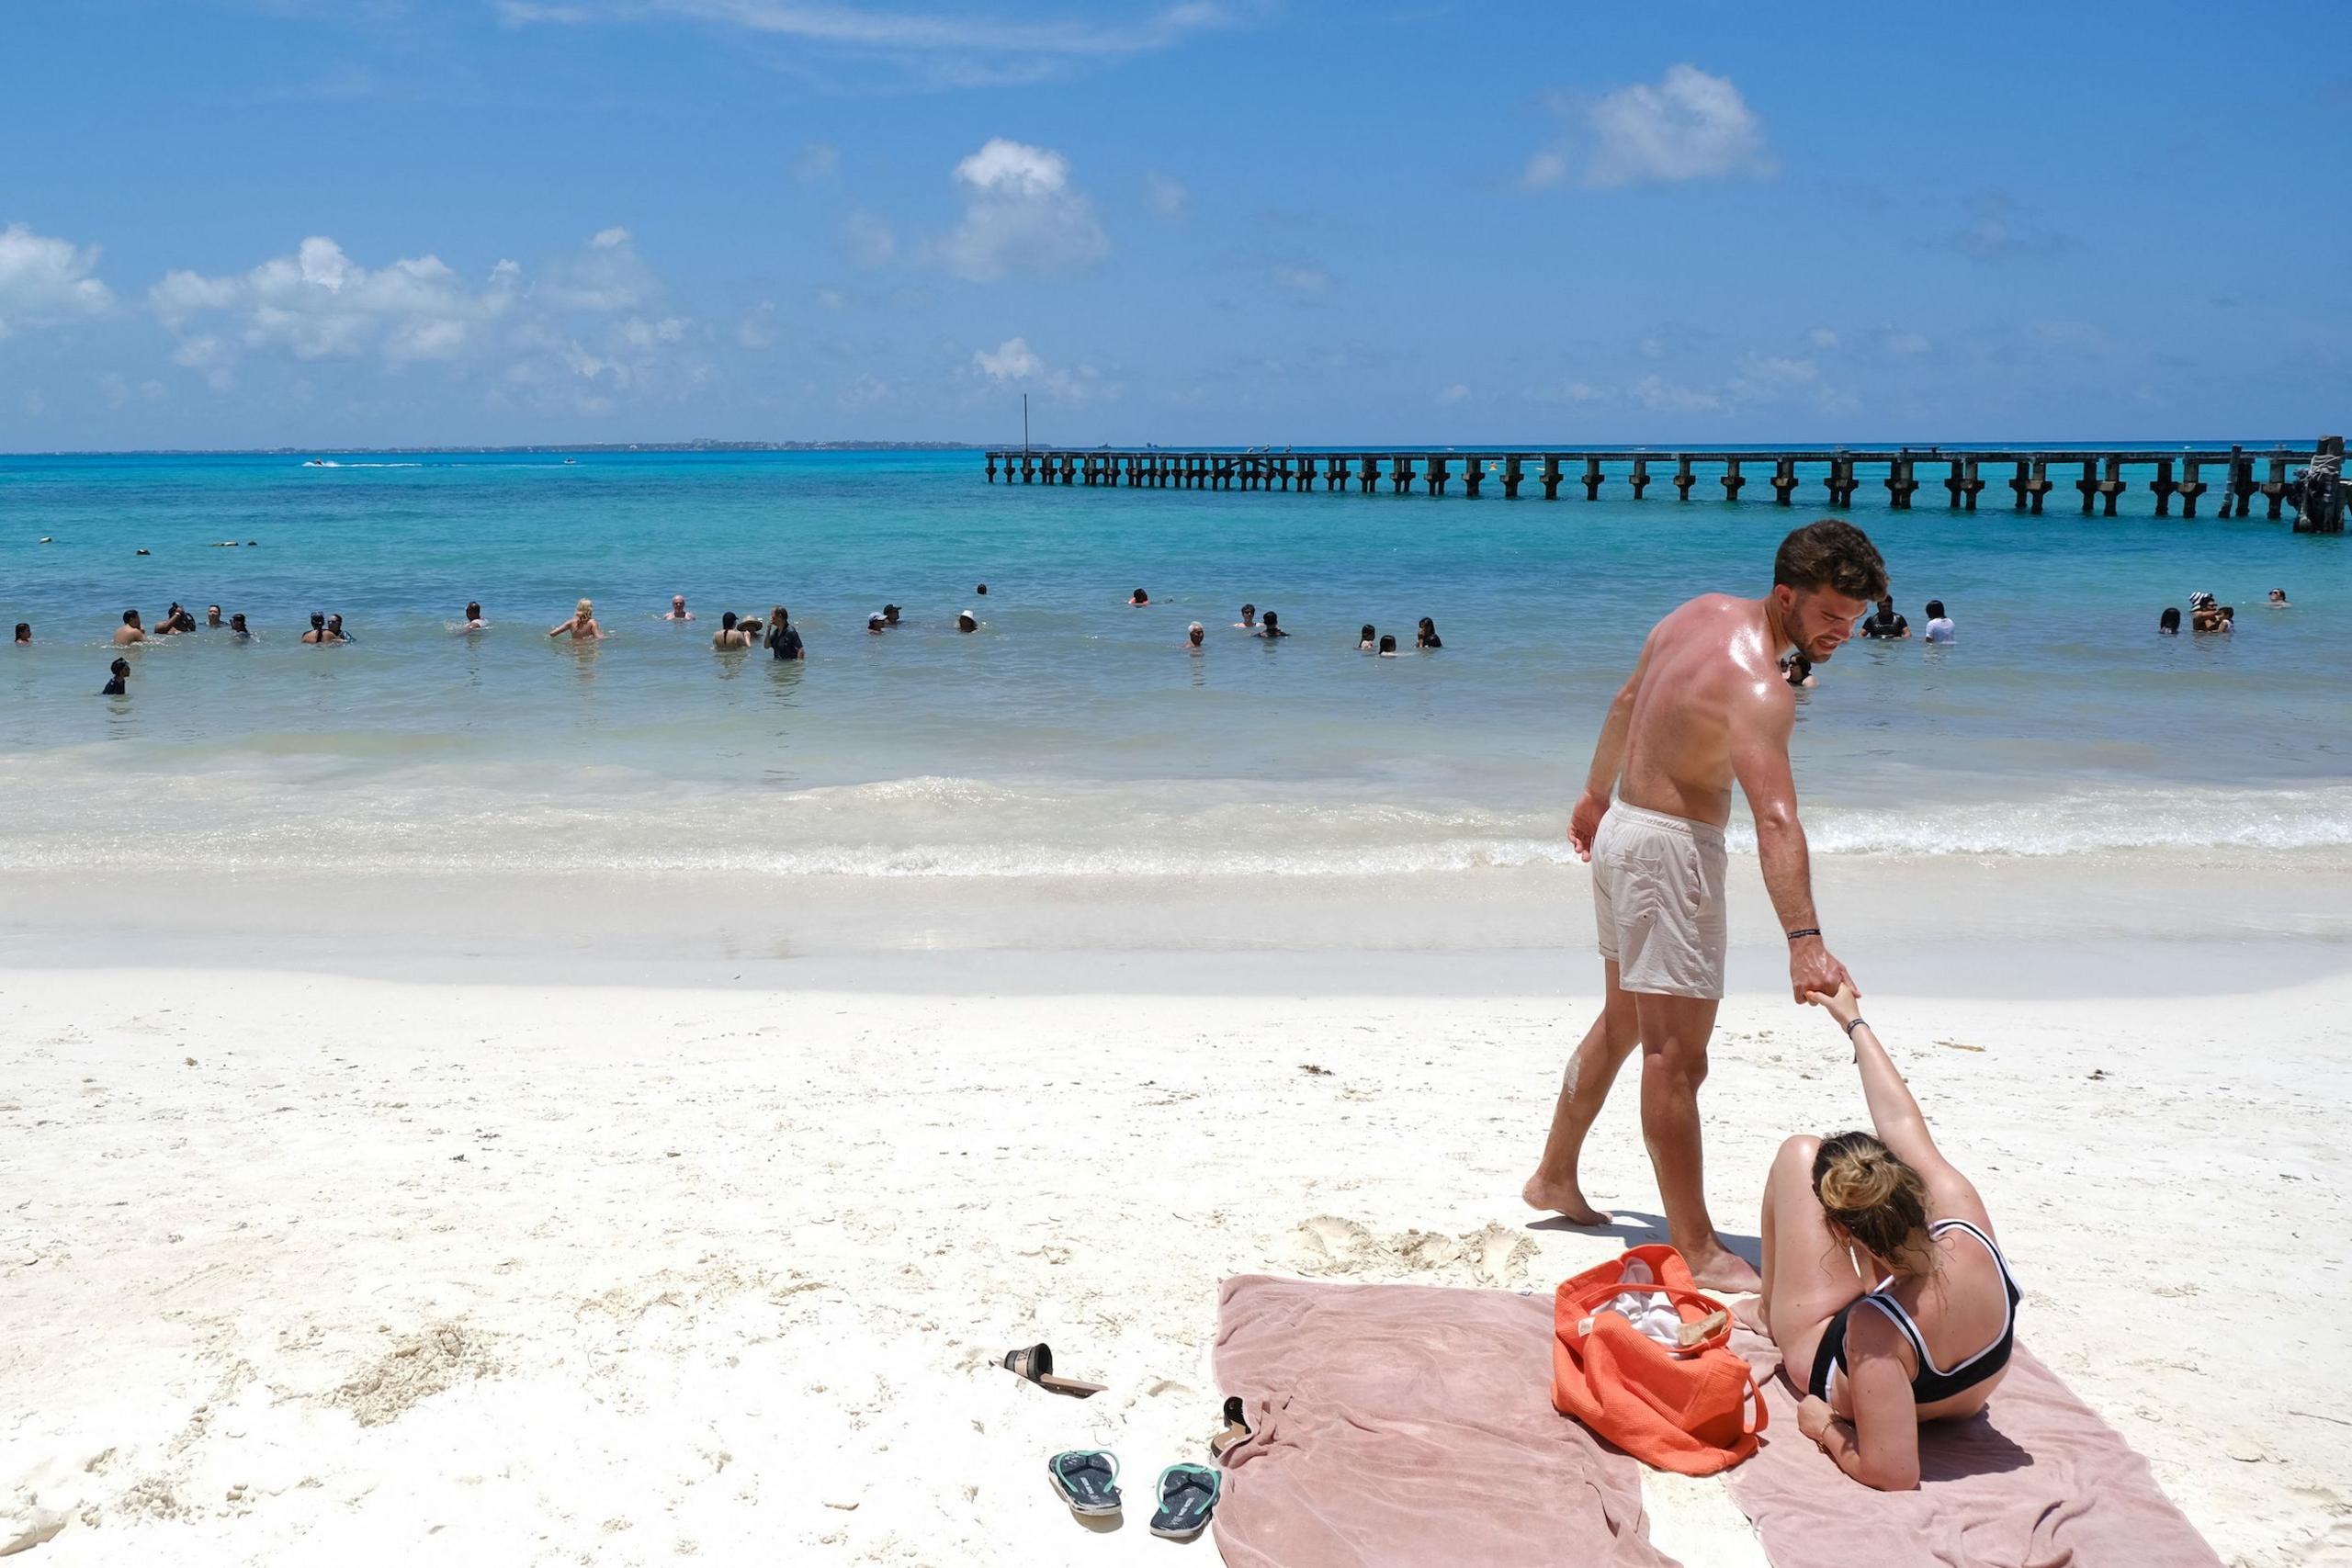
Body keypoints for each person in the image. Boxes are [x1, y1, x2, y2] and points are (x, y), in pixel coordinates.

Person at [1524, 519, 1880, 1292]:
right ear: (1786, 595)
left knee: (1626, 1022)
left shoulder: (1696, 612)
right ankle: (1696, 1245)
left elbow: (1625, 699)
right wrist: (1805, 940)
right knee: (1676, 1056)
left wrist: (1594, 795)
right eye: (1829, 614)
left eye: (1853, 619)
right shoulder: (1763, 689)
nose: (1843, 632)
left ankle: (1555, 1175)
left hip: (1625, 831)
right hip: (1671, 854)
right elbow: (1777, 818)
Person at [1758, 982, 2023, 1491]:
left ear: (1837, 1231)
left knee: (1799, 1153)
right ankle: (1773, 1303)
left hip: (1839, 1356)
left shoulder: (1873, 1329)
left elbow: (1893, 1472)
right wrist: (1852, 1020)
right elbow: (1902, 1120)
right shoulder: (1966, 1219)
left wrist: (1826, 1428)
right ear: (1913, 1188)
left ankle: (1768, 1309)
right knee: (1815, 1156)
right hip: (1961, 1388)